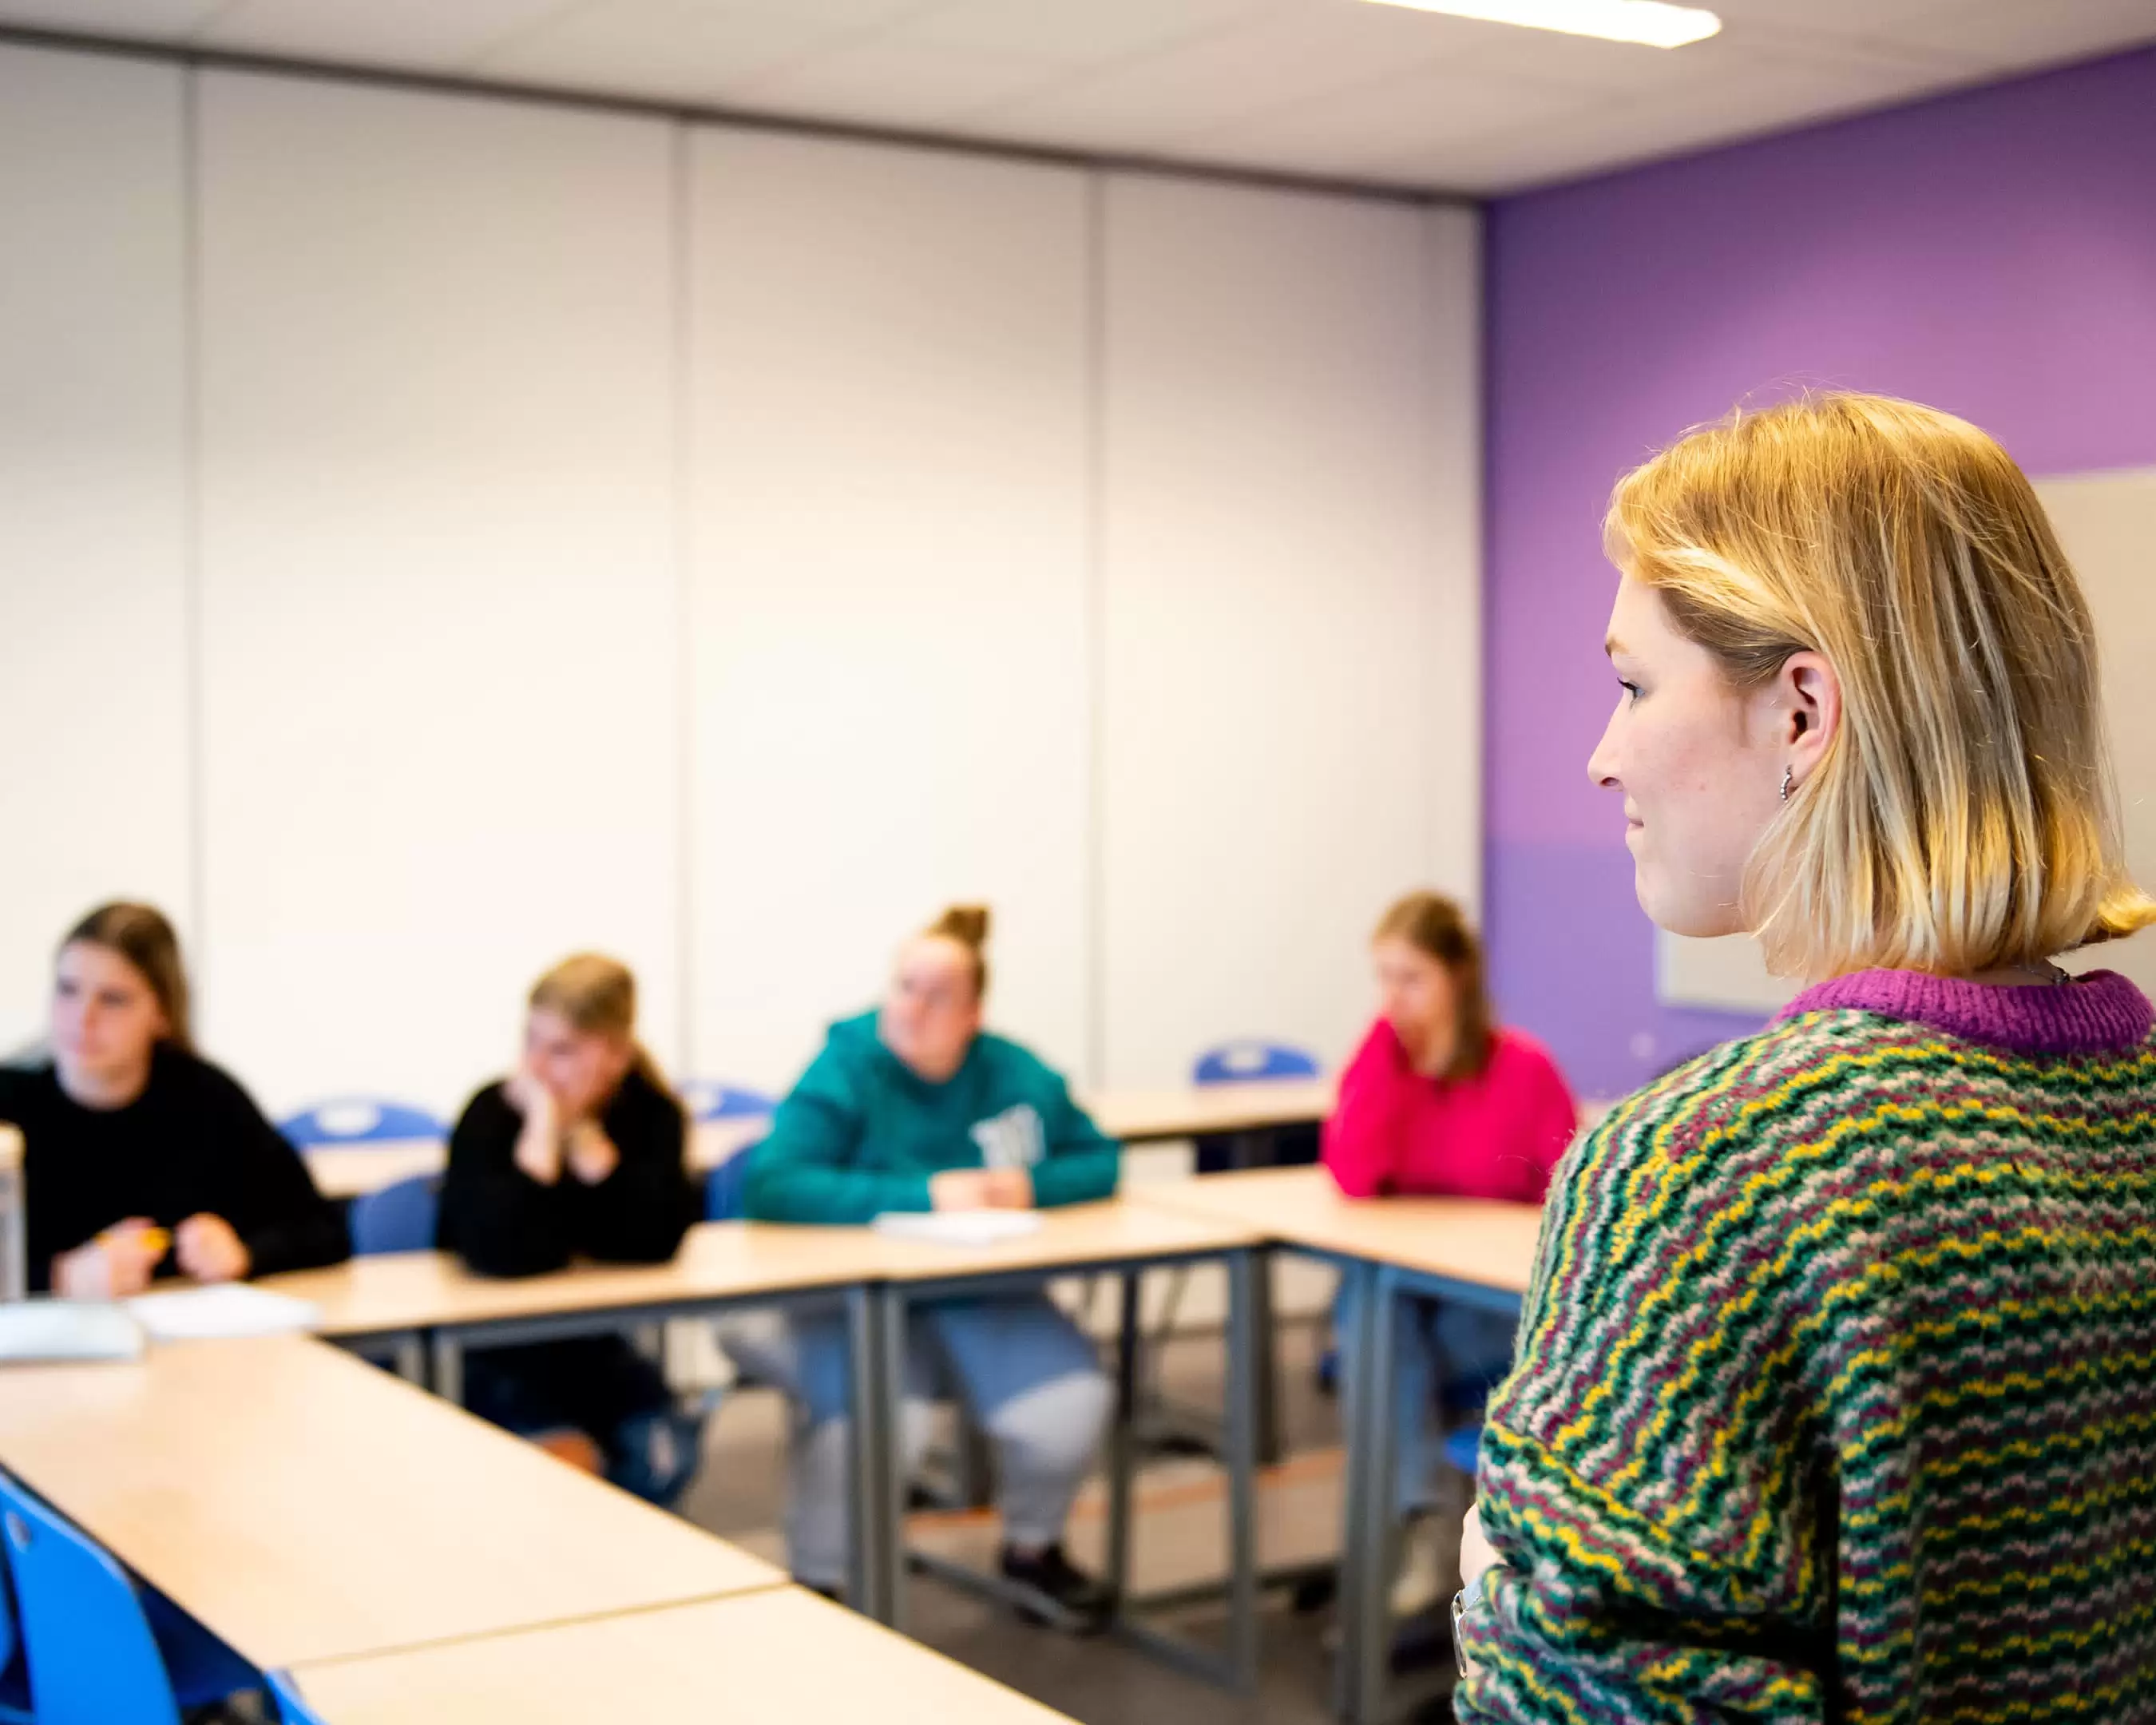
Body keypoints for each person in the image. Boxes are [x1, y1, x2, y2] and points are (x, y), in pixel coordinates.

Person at [1454, 393, 2156, 1722]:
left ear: (1800, 715)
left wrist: (1493, 1579)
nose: (1605, 758)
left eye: (1632, 683)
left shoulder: (1714, 1165)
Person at [719, 906, 1120, 1623]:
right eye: (903, 986)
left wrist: (1033, 1185)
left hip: (977, 1293)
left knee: (1069, 1402)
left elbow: (1100, 1158)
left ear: (972, 1013)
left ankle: (1034, 1548)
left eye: (935, 996)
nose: (911, 1007)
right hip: (849, 1300)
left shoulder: (1013, 1071)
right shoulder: (847, 1064)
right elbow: (772, 1184)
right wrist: (922, 1194)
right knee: (878, 1421)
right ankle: (822, 1582)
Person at [1323, 890, 1578, 1618]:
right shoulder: (1384, 1064)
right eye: (1382, 979)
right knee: (1376, 1308)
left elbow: (1565, 1204)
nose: (1392, 999)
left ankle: (1418, 1524)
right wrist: (1380, 1052)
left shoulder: (1523, 1070)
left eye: (1410, 979)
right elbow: (1353, 1173)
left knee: (1374, 1331)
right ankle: (1426, 1518)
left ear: (1457, 978)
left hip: (1496, 1307)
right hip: (1415, 1301)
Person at [438, 954, 700, 1505]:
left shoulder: (651, 1115)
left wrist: (597, 1161)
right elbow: (501, 1255)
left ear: (616, 1055)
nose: (535, 1066)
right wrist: (540, 1142)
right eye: (530, 1041)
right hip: (495, 1352)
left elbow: (657, 1240)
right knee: (565, 1466)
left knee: (665, 1454)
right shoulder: (493, 1114)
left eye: (560, 1050)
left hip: (592, 1347)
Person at [0, 902, 347, 1295]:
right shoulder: (9, 1105)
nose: (83, 1017)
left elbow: (324, 1230)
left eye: (113, 999)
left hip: (190, 1347)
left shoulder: (208, 1099)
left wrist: (246, 1253)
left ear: (161, 1012)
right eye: (68, 989)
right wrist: (58, 1277)